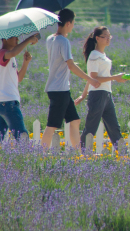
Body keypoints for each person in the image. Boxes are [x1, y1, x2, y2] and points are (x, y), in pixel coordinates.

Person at [42, 8, 100, 150]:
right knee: (52, 125)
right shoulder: (64, 41)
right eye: (73, 23)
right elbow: (71, 65)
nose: (73, 26)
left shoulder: (50, 39)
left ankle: (78, 154)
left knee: (75, 121)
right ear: (68, 23)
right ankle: (40, 154)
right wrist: (90, 79)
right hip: (59, 89)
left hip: (61, 88)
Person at [74, 26, 128, 153]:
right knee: (91, 127)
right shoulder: (94, 55)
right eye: (105, 36)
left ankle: (124, 154)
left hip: (106, 95)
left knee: (114, 127)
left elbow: (91, 79)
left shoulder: (102, 55)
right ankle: (82, 154)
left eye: (109, 36)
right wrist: (115, 77)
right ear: (97, 38)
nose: (108, 39)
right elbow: (93, 77)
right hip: (98, 95)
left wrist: (83, 95)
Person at [0, 32, 39, 144]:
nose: (17, 39)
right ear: (5, 39)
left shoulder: (11, 58)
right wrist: (28, 39)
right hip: (7, 103)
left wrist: (25, 63)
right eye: (14, 37)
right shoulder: (1, 53)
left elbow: (19, 78)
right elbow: (14, 52)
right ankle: (26, 160)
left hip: (5, 103)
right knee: (23, 137)